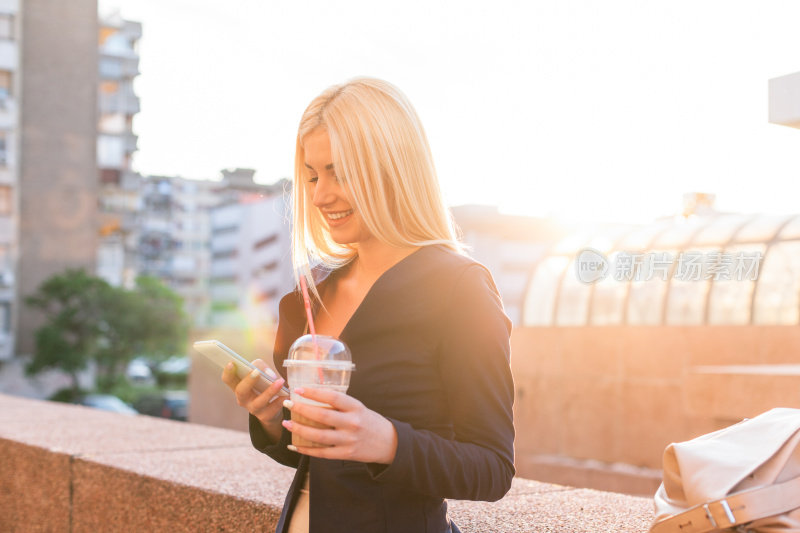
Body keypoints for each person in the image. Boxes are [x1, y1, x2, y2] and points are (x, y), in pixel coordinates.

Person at [222, 77, 515, 533]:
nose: (320, 195)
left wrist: (389, 441)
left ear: (395, 167)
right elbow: (311, 452)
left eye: (342, 173)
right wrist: (270, 419)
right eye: (313, 175)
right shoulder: (308, 297)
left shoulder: (459, 288)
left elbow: (493, 468)